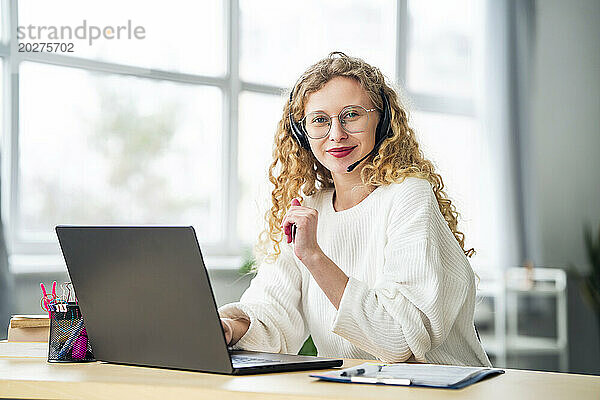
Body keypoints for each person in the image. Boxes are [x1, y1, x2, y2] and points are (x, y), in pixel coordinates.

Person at [219, 51, 491, 367]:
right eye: (320, 120)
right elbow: (272, 316)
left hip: (444, 389)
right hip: (355, 387)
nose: (337, 134)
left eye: (352, 115)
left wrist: (314, 256)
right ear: (302, 133)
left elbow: (399, 341)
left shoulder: (408, 196)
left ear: (383, 120)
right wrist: (227, 327)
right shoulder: (307, 208)